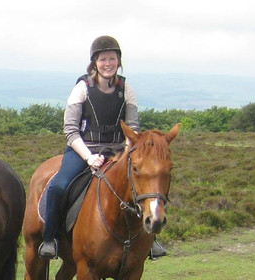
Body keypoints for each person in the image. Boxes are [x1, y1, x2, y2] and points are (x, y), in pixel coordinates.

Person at [39, 35, 166, 260]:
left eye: (112, 59)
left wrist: (127, 153)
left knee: (144, 185)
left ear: (119, 61)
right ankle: (50, 239)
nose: (108, 64)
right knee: (58, 187)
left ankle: (151, 240)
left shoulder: (127, 89)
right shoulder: (82, 88)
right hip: (83, 150)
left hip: (119, 150)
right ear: (94, 62)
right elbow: (70, 130)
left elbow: (133, 128)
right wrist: (89, 158)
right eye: (103, 59)